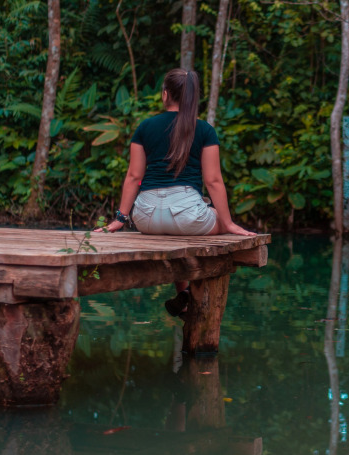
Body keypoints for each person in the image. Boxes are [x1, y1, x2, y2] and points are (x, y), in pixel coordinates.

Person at [97, 68, 255, 316]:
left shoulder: (145, 127)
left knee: (173, 235)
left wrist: (119, 219)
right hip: (187, 215)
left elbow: (134, 176)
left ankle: (184, 295)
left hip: (145, 217)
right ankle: (192, 290)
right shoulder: (204, 130)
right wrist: (228, 224)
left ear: (165, 94)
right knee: (211, 218)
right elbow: (213, 181)